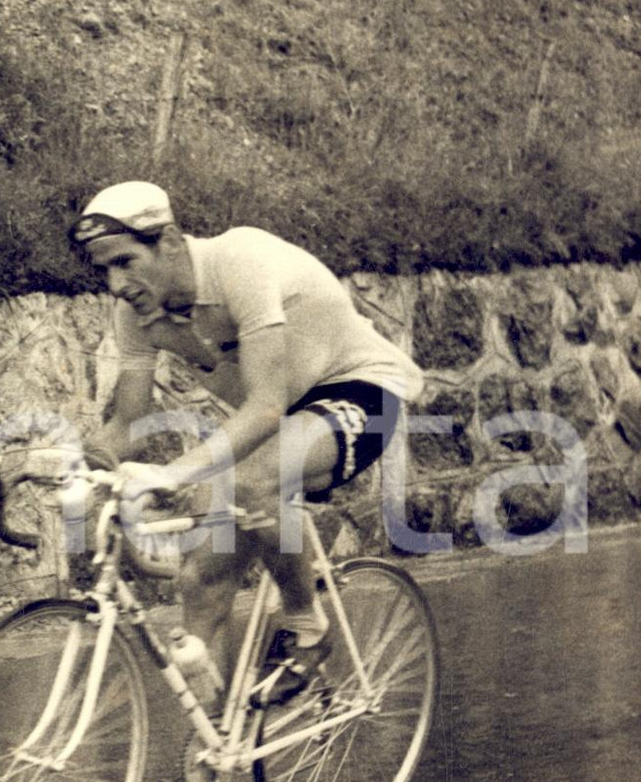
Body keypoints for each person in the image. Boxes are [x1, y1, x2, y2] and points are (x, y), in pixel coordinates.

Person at [69, 180, 424, 700]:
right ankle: (209, 763)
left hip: (358, 390)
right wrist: (59, 463)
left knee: (251, 481)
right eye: (104, 269)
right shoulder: (136, 314)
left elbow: (263, 407)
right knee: (199, 581)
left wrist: (174, 472)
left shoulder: (240, 261)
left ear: (167, 241)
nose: (115, 284)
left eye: (123, 262)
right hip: (282, 418)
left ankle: (306, 626)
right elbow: (127, 427)